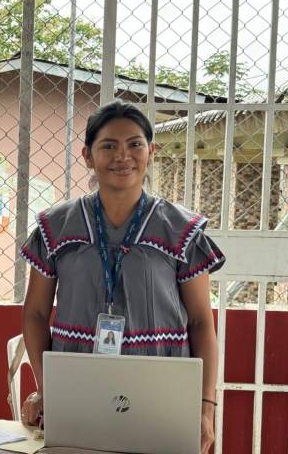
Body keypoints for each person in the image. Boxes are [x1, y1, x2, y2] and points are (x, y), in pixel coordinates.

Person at [20, 101, 224, 453]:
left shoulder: (181, 229)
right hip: (79, 386)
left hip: (162, 388)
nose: (122, 156)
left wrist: (206, 406)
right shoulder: (55, 226)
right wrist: (47, 388)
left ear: (151, 151)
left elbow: (201, 321)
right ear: (87, 155)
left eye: (134, 144)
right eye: (108, 146)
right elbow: (35, 314)